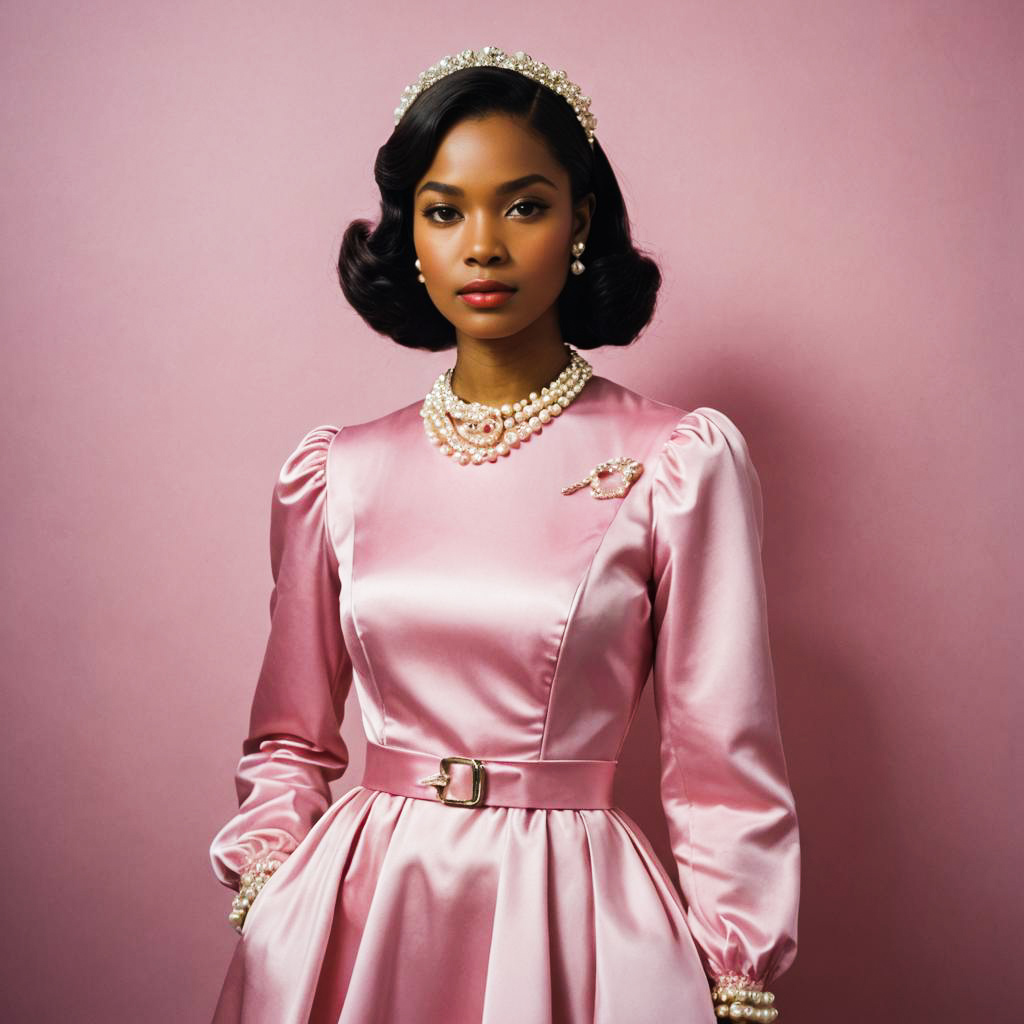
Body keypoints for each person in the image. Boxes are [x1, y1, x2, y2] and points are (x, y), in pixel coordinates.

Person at [208, 45, 800, 1024]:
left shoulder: (675, 461)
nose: (480, 244)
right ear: (411, 237)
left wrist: (736, 966)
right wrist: (270, 882)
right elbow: (288, 734)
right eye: (444, 212)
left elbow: (721, 757)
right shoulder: (336, 472)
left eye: (522, 205)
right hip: (355, 916)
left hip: (569, 918)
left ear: (581, 221)